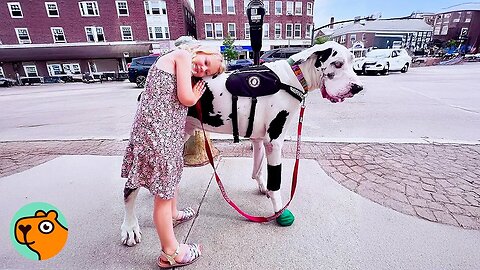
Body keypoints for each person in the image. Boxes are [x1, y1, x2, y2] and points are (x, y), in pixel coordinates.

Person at [121, 43, 225, 268]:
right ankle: (171, 253)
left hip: (155, 133)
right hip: (159, 136)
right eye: (205, 62)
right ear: (203, 51)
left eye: (207, 72)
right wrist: (196, 94)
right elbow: (186, 98)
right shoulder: (181, 55)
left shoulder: (178, 63)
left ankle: (174, 214)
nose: (202, 69)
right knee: (163, 196)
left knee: (170, 180)